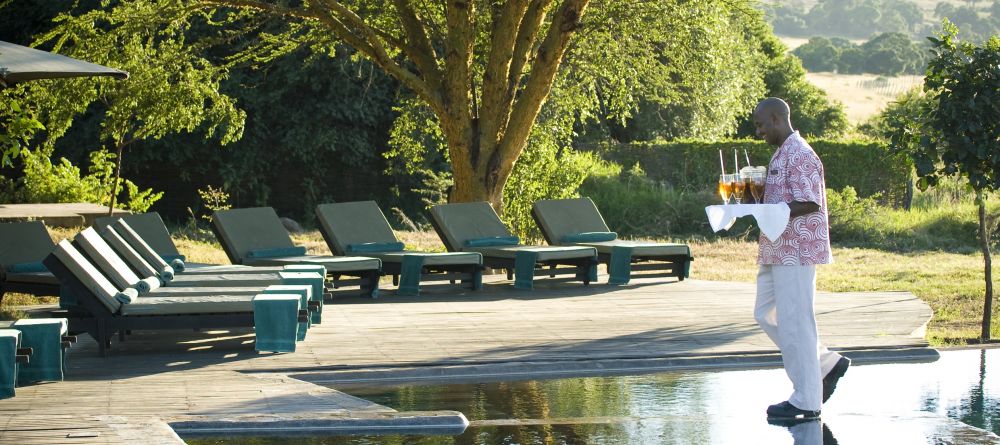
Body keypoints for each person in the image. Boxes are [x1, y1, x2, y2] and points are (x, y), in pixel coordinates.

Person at [752, 97, 850, 419]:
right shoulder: (782, 154)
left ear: (777, 118)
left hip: (796, 250)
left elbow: (810, 202)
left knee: (797, 322)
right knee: (765, 313)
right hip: (775, 250)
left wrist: (771, 209)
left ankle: (807, 400)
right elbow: (779, 200)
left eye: (761, 124)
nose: (759, 131)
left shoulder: (801, 154)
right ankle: (824, 363)